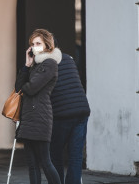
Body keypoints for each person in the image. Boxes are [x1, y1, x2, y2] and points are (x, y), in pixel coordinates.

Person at [15, 29, 62, 184]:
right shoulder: (34, 65)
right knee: (32, 165)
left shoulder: (49, 64)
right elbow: (18, 88)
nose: (34, 47)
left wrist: (26, 85)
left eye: (38, 43)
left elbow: (31, 88)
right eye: (32, 44)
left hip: (40, 117)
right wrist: (27, 66)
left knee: (45, 162)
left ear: (47, 45)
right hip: (28, 117)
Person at [49, 43, 90, 184]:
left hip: (63, 114)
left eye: (37, 44)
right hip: (82, 110)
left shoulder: (45, 64)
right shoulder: (68, 58)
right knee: (76, 155)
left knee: (55, 152)